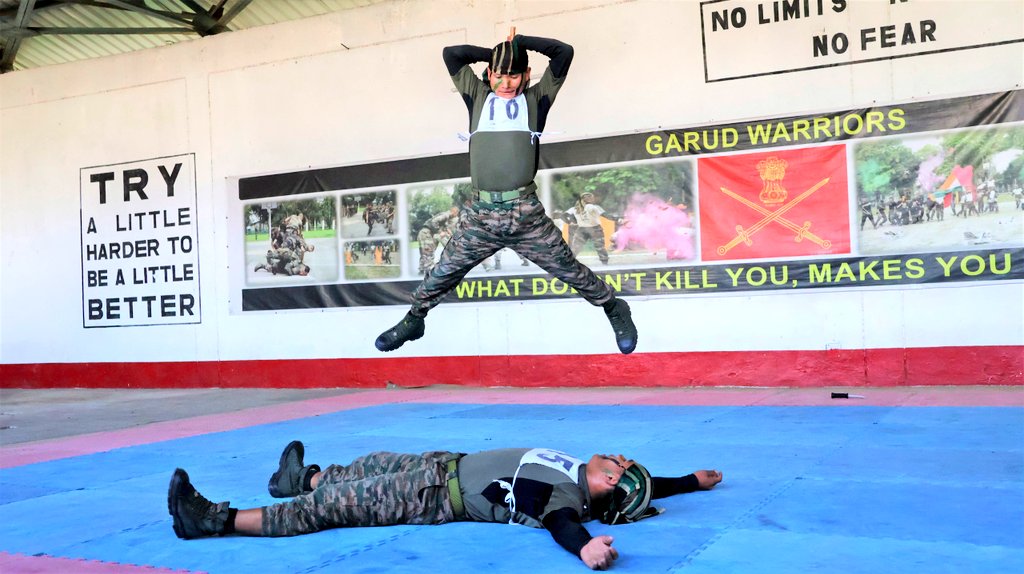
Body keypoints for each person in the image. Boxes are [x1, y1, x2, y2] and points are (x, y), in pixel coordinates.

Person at [374, 33, 639, 355]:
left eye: (514, 74)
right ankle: (414, 319)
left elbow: (563, 52)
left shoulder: (536, 99)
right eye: (499, 74)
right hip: (481, 217)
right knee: (443, 271)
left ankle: (614, 308)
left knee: (570, 270)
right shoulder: (477, 96)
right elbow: (452, 54)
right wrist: (497, 52)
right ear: (489, 74)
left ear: (527, 75)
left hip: (524, 214)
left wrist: (521, 43)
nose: (506, 82)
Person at [168, 442, 723, 570]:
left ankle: (213, 521)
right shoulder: (580, 468)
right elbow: (651, 486)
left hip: (433, 496)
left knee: (332, 507)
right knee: (367, 464)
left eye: (622, 468)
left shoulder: (566, 498)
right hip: (445, 465)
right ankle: (303, 477)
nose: (622, 459)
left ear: (607, 486)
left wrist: (584, 549)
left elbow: (560, 526)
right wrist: (691, 483)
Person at [566, 192, 619, 265]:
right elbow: (607, 216)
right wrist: (619, 220)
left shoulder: (574, 208)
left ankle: (569, 263)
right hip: (594, 229)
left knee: (575, 248)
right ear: (591, 199)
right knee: (599, 247)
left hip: (582, 229)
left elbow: (563, 215)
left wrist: (570, 222)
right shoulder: (594, 207)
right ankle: (605, 263)